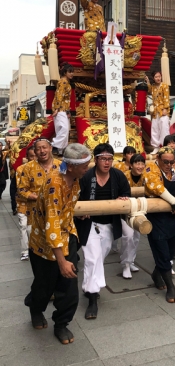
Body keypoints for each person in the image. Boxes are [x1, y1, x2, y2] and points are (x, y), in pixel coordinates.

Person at [24, 143, 91, 345]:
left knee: (69, 288)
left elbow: (66, 212)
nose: (87, 169)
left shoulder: (75, 180)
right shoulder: (55, 185)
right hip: (44, 244)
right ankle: (35, 308)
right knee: (44, 287)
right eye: (84, 166)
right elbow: (51, 227)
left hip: (66, 237)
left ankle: (61, 323)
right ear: (70, 166)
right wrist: (61, 261)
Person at [74, 143, 130, 320]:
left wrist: (123, 199)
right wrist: (81, 211)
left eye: (110, 159)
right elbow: (76, 196)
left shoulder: (118, 175)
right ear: (96, 160)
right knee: (92, 257)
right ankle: (92, 298)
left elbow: (126, 193)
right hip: (89, 223)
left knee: (98, 257)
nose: (107, 162)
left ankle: (87, 285)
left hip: (109, 224)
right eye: (103, 159)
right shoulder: (86, 176)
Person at [144, 146, 175, 303]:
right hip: (156, 217)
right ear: (158, 159)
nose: (169, 165)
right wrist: (174, 202)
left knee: (168, 250)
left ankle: (156, 274)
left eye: (172, 161)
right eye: (165, 161)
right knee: (160, 247)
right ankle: (171, 286)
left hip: (172, 217)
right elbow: (156, 187)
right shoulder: (150, 169)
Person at [18, 138, 61, 239]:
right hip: (35, 212)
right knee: (37, 244)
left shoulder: (61, 166)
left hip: (57, 211)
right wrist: (36, 197)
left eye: (44, 147)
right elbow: (22, 189)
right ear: (35, 152)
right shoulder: (28, 167)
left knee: (56, 242)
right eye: (38, 149)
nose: (42, 151)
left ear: (50, 148)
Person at [120, 154, 147, 278]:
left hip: (140, 211)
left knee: (136, 237)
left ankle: (131, 261)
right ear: (131, 165)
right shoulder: (124, 176)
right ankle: (125, 264)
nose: (140, 166)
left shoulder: (146, 177)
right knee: (128, 236)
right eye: (137, 163)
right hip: (125, 212)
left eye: (142, 163)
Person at [112, 145, 137, 252]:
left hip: (134, 201)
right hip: (120, 196)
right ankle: (114, 244)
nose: (131, 155)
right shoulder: (118, 166)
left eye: (133, 153)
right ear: (124, 155)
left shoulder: (137, 167)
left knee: (132, 233)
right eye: (129, 153)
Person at [16, 146, 36, 261]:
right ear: (27, 157)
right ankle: (24, 251)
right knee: (23, 226)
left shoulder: (43, 168)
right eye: (31, 156)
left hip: (36, 204)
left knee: (31, 228)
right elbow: (21, 188)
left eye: (35, 156)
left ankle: (33, 249)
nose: (33, 158)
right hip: (23, 203)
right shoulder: (20, 169)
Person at [145, 71, 170, 154]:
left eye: (159, 76)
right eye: (156, 77)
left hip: (163, 109)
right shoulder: (153, 86)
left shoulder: (164, 86)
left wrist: (165, 108)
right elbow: (148, 90)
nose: (158, 78)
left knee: (164, 128)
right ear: (153, 78)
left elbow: (166, 97)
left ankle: (165, 146)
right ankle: (156, 147)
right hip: (155, 111)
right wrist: (147, 81)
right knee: (154, 128)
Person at [52, 62, 74, 156]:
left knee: (62, 130)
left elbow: (65, 99)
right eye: (70, 72)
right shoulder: (63, 82)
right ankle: (55, 146)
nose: (72, 74)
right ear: (65, 72)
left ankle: (61, 151)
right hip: (60, 109)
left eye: (72, 72)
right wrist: (56, 108)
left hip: (64, 109)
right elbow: (59, 95)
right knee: (64, 129)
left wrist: (68, 111)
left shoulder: (66, 82)